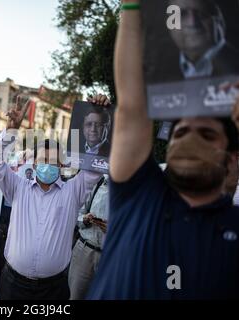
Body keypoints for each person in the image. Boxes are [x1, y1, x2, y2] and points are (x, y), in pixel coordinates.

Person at [87, 0, 239, 299]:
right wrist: (131, 8)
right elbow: (131, 106)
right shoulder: (138, 195)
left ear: (232, 159)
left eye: (207, 134)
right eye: (180, 131)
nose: (188, 138)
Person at [0, 95, 108, 300]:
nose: (48, 165)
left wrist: (103, 114)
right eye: (43, 160)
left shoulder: (73, 191)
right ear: (34, 164)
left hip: (53, 289)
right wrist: (11, 131)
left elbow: (96, 167)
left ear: (62, 165)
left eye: (54, 162)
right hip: (13, 285)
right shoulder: (17, 187)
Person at [168, 0, 239, 79]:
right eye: (181, 15)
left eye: (202, 13)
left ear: (220, 19)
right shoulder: (160, 71)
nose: (192, 23)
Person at [68, 174, 109, 300]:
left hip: (112, 256)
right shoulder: (98, 182)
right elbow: (76, 214)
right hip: (85, 252)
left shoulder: (135, 191)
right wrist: (85, 219)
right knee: (76, 296)